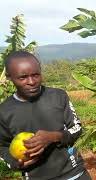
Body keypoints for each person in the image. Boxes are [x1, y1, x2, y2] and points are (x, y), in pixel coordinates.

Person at [0, 51, 91, 180]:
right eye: (22, 77)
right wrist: (15, 163)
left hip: (74, 173)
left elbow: (77, 128)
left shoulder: (58, 96)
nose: (31, 81)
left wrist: (53, 137)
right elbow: (2, 146)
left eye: (36, 75)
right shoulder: (4, 111)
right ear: (9, 77)